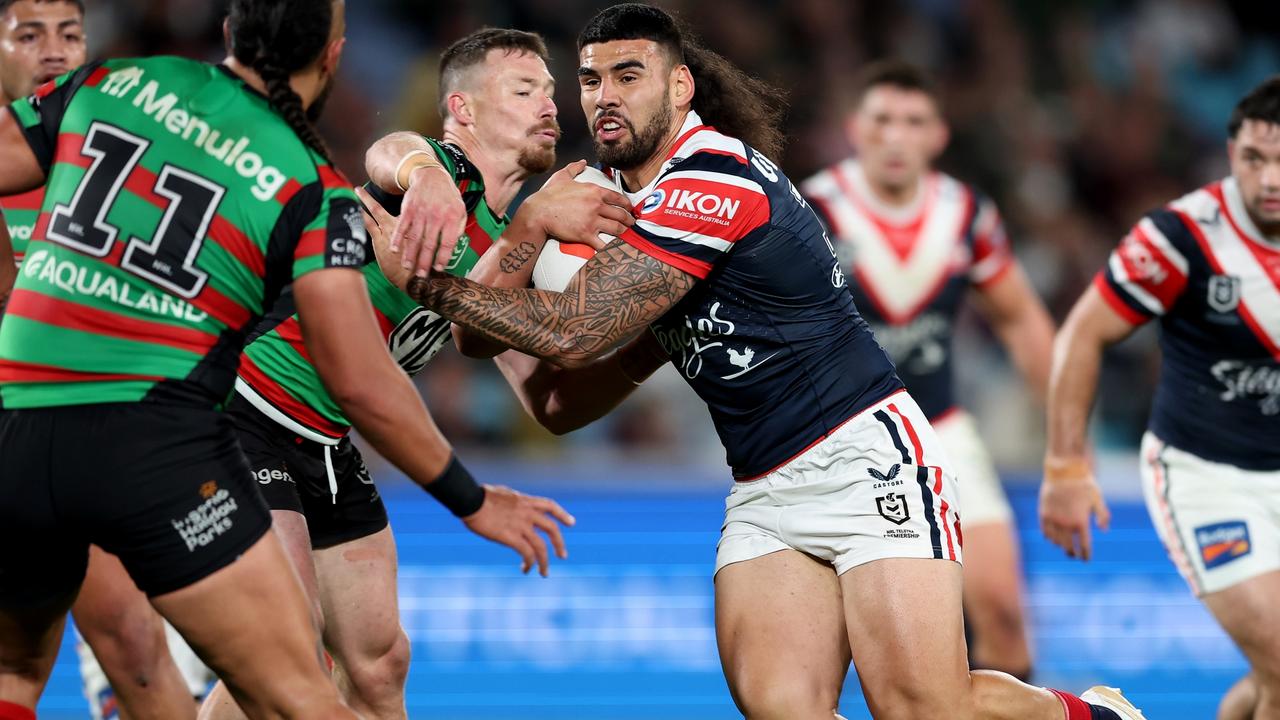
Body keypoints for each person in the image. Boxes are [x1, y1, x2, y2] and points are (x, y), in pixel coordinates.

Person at [368, 4, 1146, 719]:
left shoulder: (715, 176)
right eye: (591, 79)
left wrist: (430, 283)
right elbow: (531, 380)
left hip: (862, 454)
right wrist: (526, 227)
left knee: (919, 706)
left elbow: (570, 334)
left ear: (680, 87)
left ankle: (1093, 715)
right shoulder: (589, 193)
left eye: (629, 76)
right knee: (782, 706)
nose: (604, 95)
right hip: (763, 484)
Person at [197, 28, 612, 720]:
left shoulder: (513, 234)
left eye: (549, 88)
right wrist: (422, 175)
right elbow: (390, 153)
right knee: (286, 653)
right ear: (464, 109)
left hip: (328, 444)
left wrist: (647, 341)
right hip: (246, 413)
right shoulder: (439, 178)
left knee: (379, 665)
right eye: (523, 88)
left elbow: (531, 386)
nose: (550, 103)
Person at [800, 60, 1052, 681]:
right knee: (834, 648)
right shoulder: (810, 211)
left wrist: (1069, 441)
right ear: (854, 128)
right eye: (882, 119)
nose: (896, 136)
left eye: (913, 121)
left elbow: (1021, 318)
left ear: (938, 135)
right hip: (839, 440)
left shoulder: (968, 216)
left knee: (1004, 620)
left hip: (940, 428)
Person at [1041, 75, 1280, 720]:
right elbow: (1083, 333)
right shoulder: (1182, 236)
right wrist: (1065, 466)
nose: (1270, 179)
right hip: (1206, 476)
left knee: (1272, 675)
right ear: (1232, 154)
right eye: (1256, 159)